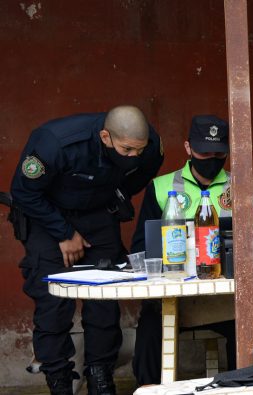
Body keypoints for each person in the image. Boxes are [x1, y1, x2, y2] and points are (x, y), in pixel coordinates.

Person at [11, 105, 164, 395]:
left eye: (138, 150)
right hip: (47, 216)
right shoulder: (55, 143)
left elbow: (144, 170)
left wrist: (115, 194)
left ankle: (101, 377)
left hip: (98, 214)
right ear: (105, 137)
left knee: (105, 298)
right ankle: (59, 381)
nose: (134, 155)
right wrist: (65, 233)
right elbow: (24, 192)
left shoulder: (149, 145)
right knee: (52, 302)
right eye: (127, 149)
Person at [130, 115, 234, 386]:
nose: (211, 159)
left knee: (245, 327)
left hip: (225, 297)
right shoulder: (162, 187)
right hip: (175, 297)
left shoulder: (241, 186)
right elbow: (141, 247)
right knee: (150, 328)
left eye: (218, 153)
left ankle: (242, 388)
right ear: (188, 148)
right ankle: (148, 390)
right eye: (204, 151)